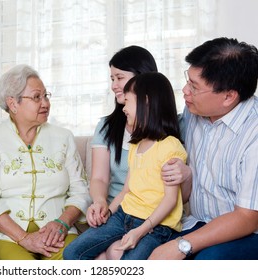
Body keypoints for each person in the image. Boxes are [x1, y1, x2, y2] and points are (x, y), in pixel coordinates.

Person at [149, 37, 258, 260]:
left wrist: (181, 246)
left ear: (229, 96)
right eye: (188, 81)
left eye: (194, 87)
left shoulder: (253, 133)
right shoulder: (194, 111)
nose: (185, 91)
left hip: (246, 232)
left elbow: (247, 217)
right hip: (198, 222)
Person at [63, 72, 187, 260]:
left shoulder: (170, 146)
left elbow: (170, 201)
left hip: (156, 226)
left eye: (127, 101)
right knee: (72, 252)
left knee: (131, 264)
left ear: (145, 103)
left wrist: (140, 231)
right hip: (123, 216)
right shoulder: (136, 145)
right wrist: (108, 212)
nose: (123, 109)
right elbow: (126, 190)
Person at [0, 64, 91, 260]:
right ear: (13, 104)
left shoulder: (64, 137)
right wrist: (24, 238)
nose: (45, 103)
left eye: (46, 96)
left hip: (59, 233)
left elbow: (81, 191)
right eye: (37, 97)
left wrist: (62, 223)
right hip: (7, 237)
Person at [87, 46, 158, 228]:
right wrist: (100, 202)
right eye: (112, 79)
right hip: (114, 211)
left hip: (152, 215)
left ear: (143, 78)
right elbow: (99, 178)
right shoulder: (106, 126)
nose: (113, 86)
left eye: (119, 78)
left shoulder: (169, 126)